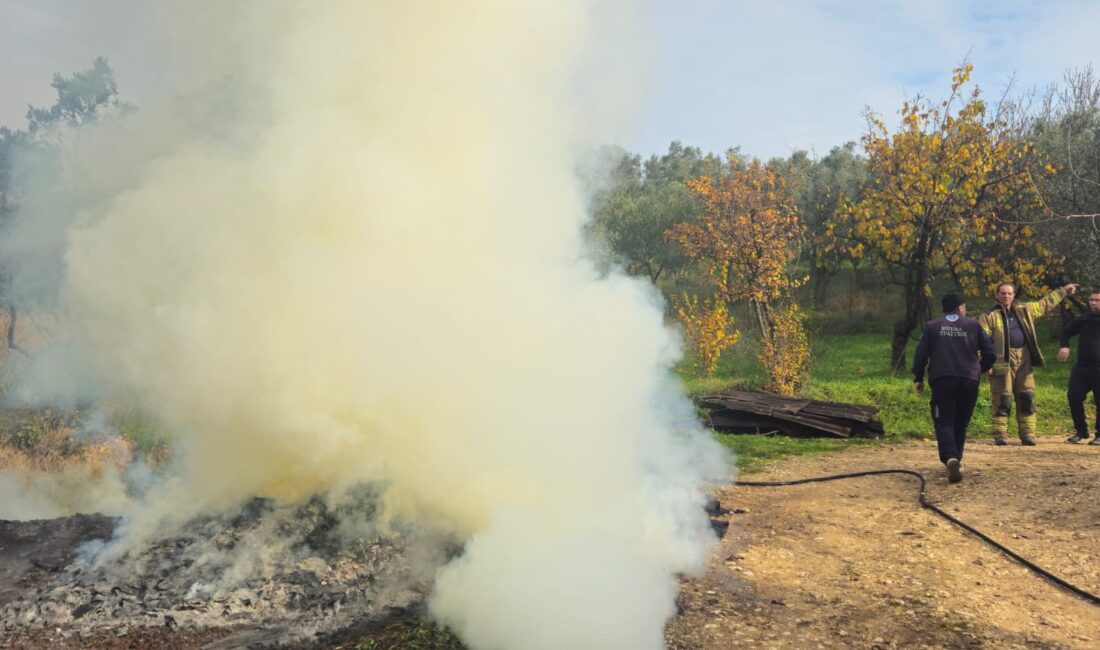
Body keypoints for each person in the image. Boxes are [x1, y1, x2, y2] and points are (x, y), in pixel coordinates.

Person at [978, 282, 1078, 446]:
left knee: (1027, 397)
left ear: (1014, 295)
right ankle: (1000, 434)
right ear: (997, 295)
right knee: (1002, 398)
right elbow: (981, 340)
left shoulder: (1025, 309)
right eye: (1003, 293)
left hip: (1025, 358)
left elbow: (1045, 304)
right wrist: (985, 362)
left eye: (1009, 293)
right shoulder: (989, 315)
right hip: (1001, 361)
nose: (1006, 296)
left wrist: (1063, 291)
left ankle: (1028, 434)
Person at [913, 294, 996, 483]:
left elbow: (921, 354)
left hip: (942, 379)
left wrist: (918, 377)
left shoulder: (932, 326)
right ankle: (956, 459)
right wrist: (979, 369)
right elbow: (990, 352)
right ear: (960, 308)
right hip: (969, 380)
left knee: (944, 421)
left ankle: (951, 458)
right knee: (961, 422)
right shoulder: (973, 325)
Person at [1057, 290, 1100, 445]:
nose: (1093, 303)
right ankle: (1081, 431)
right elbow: (1066, 332)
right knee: (1073, 396)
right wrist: (1065, 346)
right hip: (1082, 367)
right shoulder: (1083, 319)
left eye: (1097, 300)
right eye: (1091, 300)